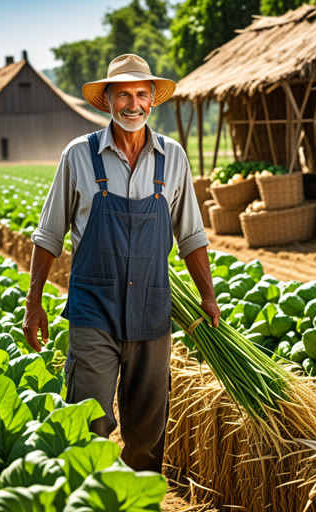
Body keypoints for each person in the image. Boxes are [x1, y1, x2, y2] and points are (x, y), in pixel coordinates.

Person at [23, 54, 220, 473]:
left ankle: (137, 499)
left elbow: (191, 236)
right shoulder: (79, 155)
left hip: (151, 312)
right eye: (124, 95)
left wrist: (208, 297)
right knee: (88, 422)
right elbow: (48, 235)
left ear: (153, 101)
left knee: (147, 434)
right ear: (108, 101)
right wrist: (33, 302)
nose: (134, 104)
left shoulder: (173, 158)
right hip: (93, 310)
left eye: (142, 95)